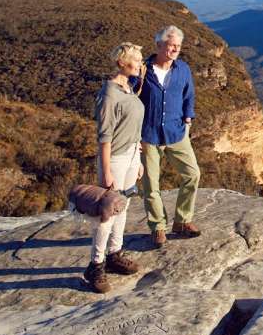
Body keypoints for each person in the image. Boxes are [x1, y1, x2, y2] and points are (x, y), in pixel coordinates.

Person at [85, 42, 144, 293]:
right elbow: (105, 135)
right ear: (122, 62)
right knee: (107, 213)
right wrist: (106, 170)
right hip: (116, 159)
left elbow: (133, 125)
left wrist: (138, 157)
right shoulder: (109, 94)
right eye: (136, 59)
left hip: (131, 155)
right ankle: (95, 266)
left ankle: (114, 254)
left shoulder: (128, 88)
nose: (141, 63)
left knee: (124, 206)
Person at [138, 25, 202, 247]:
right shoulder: (142, 71)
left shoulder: (182, 69)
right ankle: (158, 227)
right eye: (171, 45)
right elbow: (129, 101)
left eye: (178, 46)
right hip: (148, 135)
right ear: (158, 45)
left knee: (192, 174)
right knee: (151, 186)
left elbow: (189, 95)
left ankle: (182, 221)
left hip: (176, 132)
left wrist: (188, 117)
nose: (175, 49)